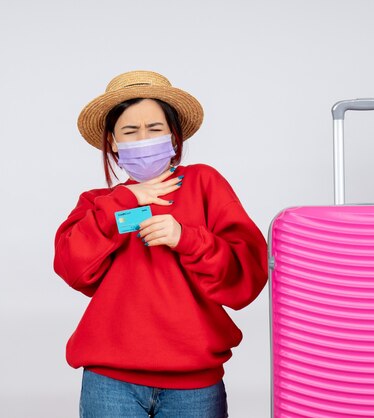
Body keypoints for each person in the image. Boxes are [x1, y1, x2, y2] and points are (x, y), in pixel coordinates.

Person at [53, 70, 268, 418]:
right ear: (112, 140)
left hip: (194, 384)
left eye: (154, 129)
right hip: (110, 382)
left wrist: (186, 238)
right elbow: (72, 268)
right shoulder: (97, 203)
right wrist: (122, 201)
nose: (142, 139)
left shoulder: (204, 184)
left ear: (173, 135)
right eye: (129, 131)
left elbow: (247, 276)